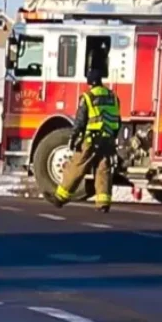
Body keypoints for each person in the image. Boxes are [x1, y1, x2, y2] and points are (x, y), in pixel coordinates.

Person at [44, 64, 121, 213]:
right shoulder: (112, 96)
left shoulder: (87, 97)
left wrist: (73, 137)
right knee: (103, 169)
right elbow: (118, 121)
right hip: (108, 139)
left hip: (92, 140)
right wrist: (112, 137)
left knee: (76, 166)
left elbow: (80, 121)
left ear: (90, 81)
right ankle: (103, 203)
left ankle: (60, 198)